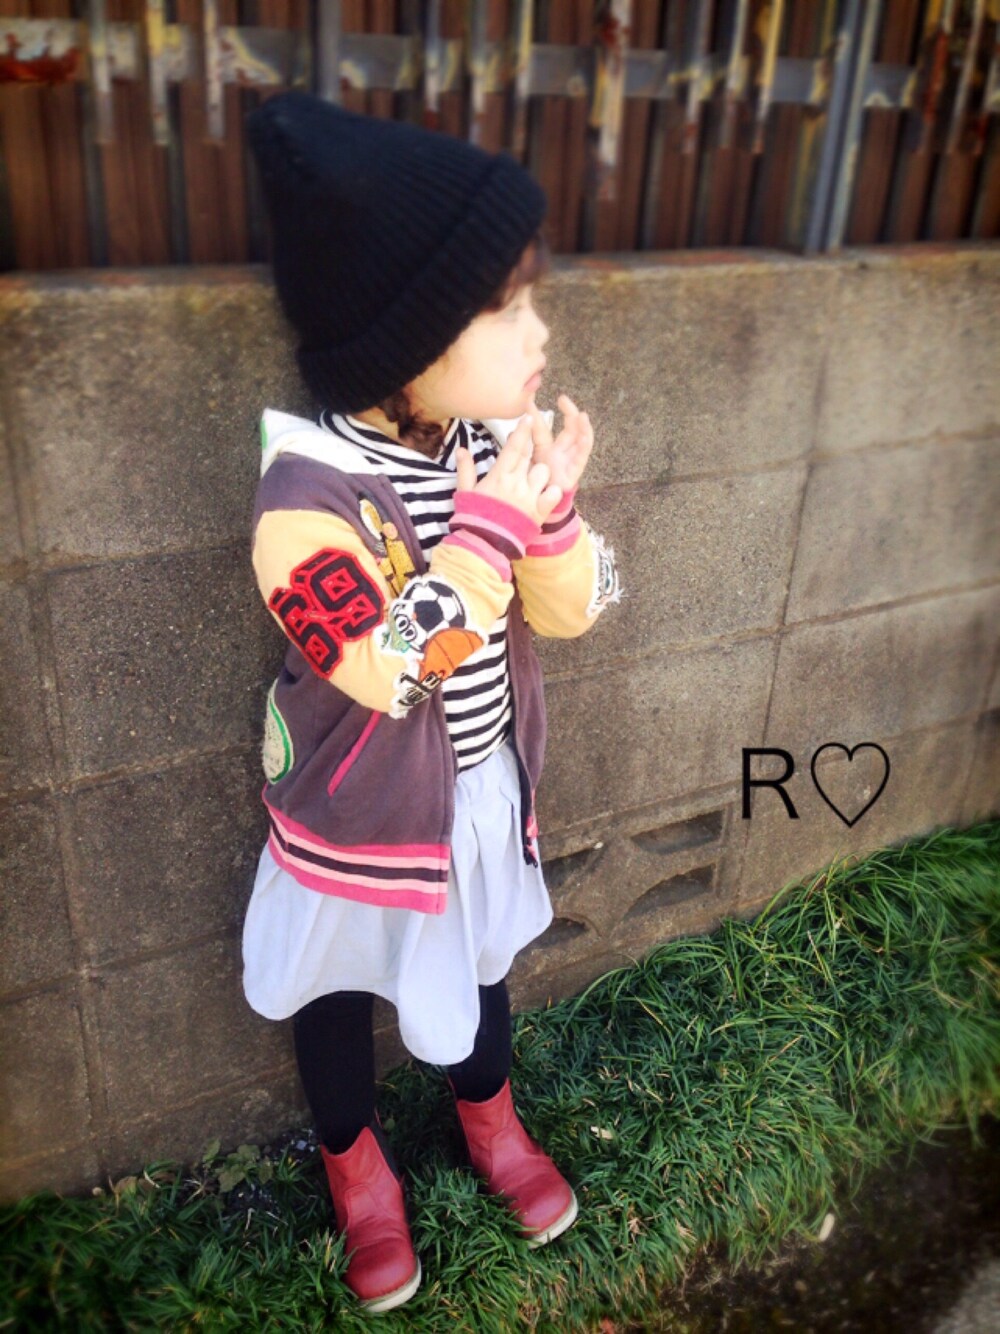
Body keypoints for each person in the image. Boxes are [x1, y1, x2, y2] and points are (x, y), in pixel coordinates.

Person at [242, 90, 621, 1314]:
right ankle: (357, 1170)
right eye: (505, 306)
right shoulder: (303, 498)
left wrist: (546, 513)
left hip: (472, 797)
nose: (538, 332)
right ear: (404, 339)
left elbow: (576, 608)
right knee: (336, 989)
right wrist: (495, 525)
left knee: (482, 963)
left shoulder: (476, 447)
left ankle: (489, 1118)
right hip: (353, 819)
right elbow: (390, 663)